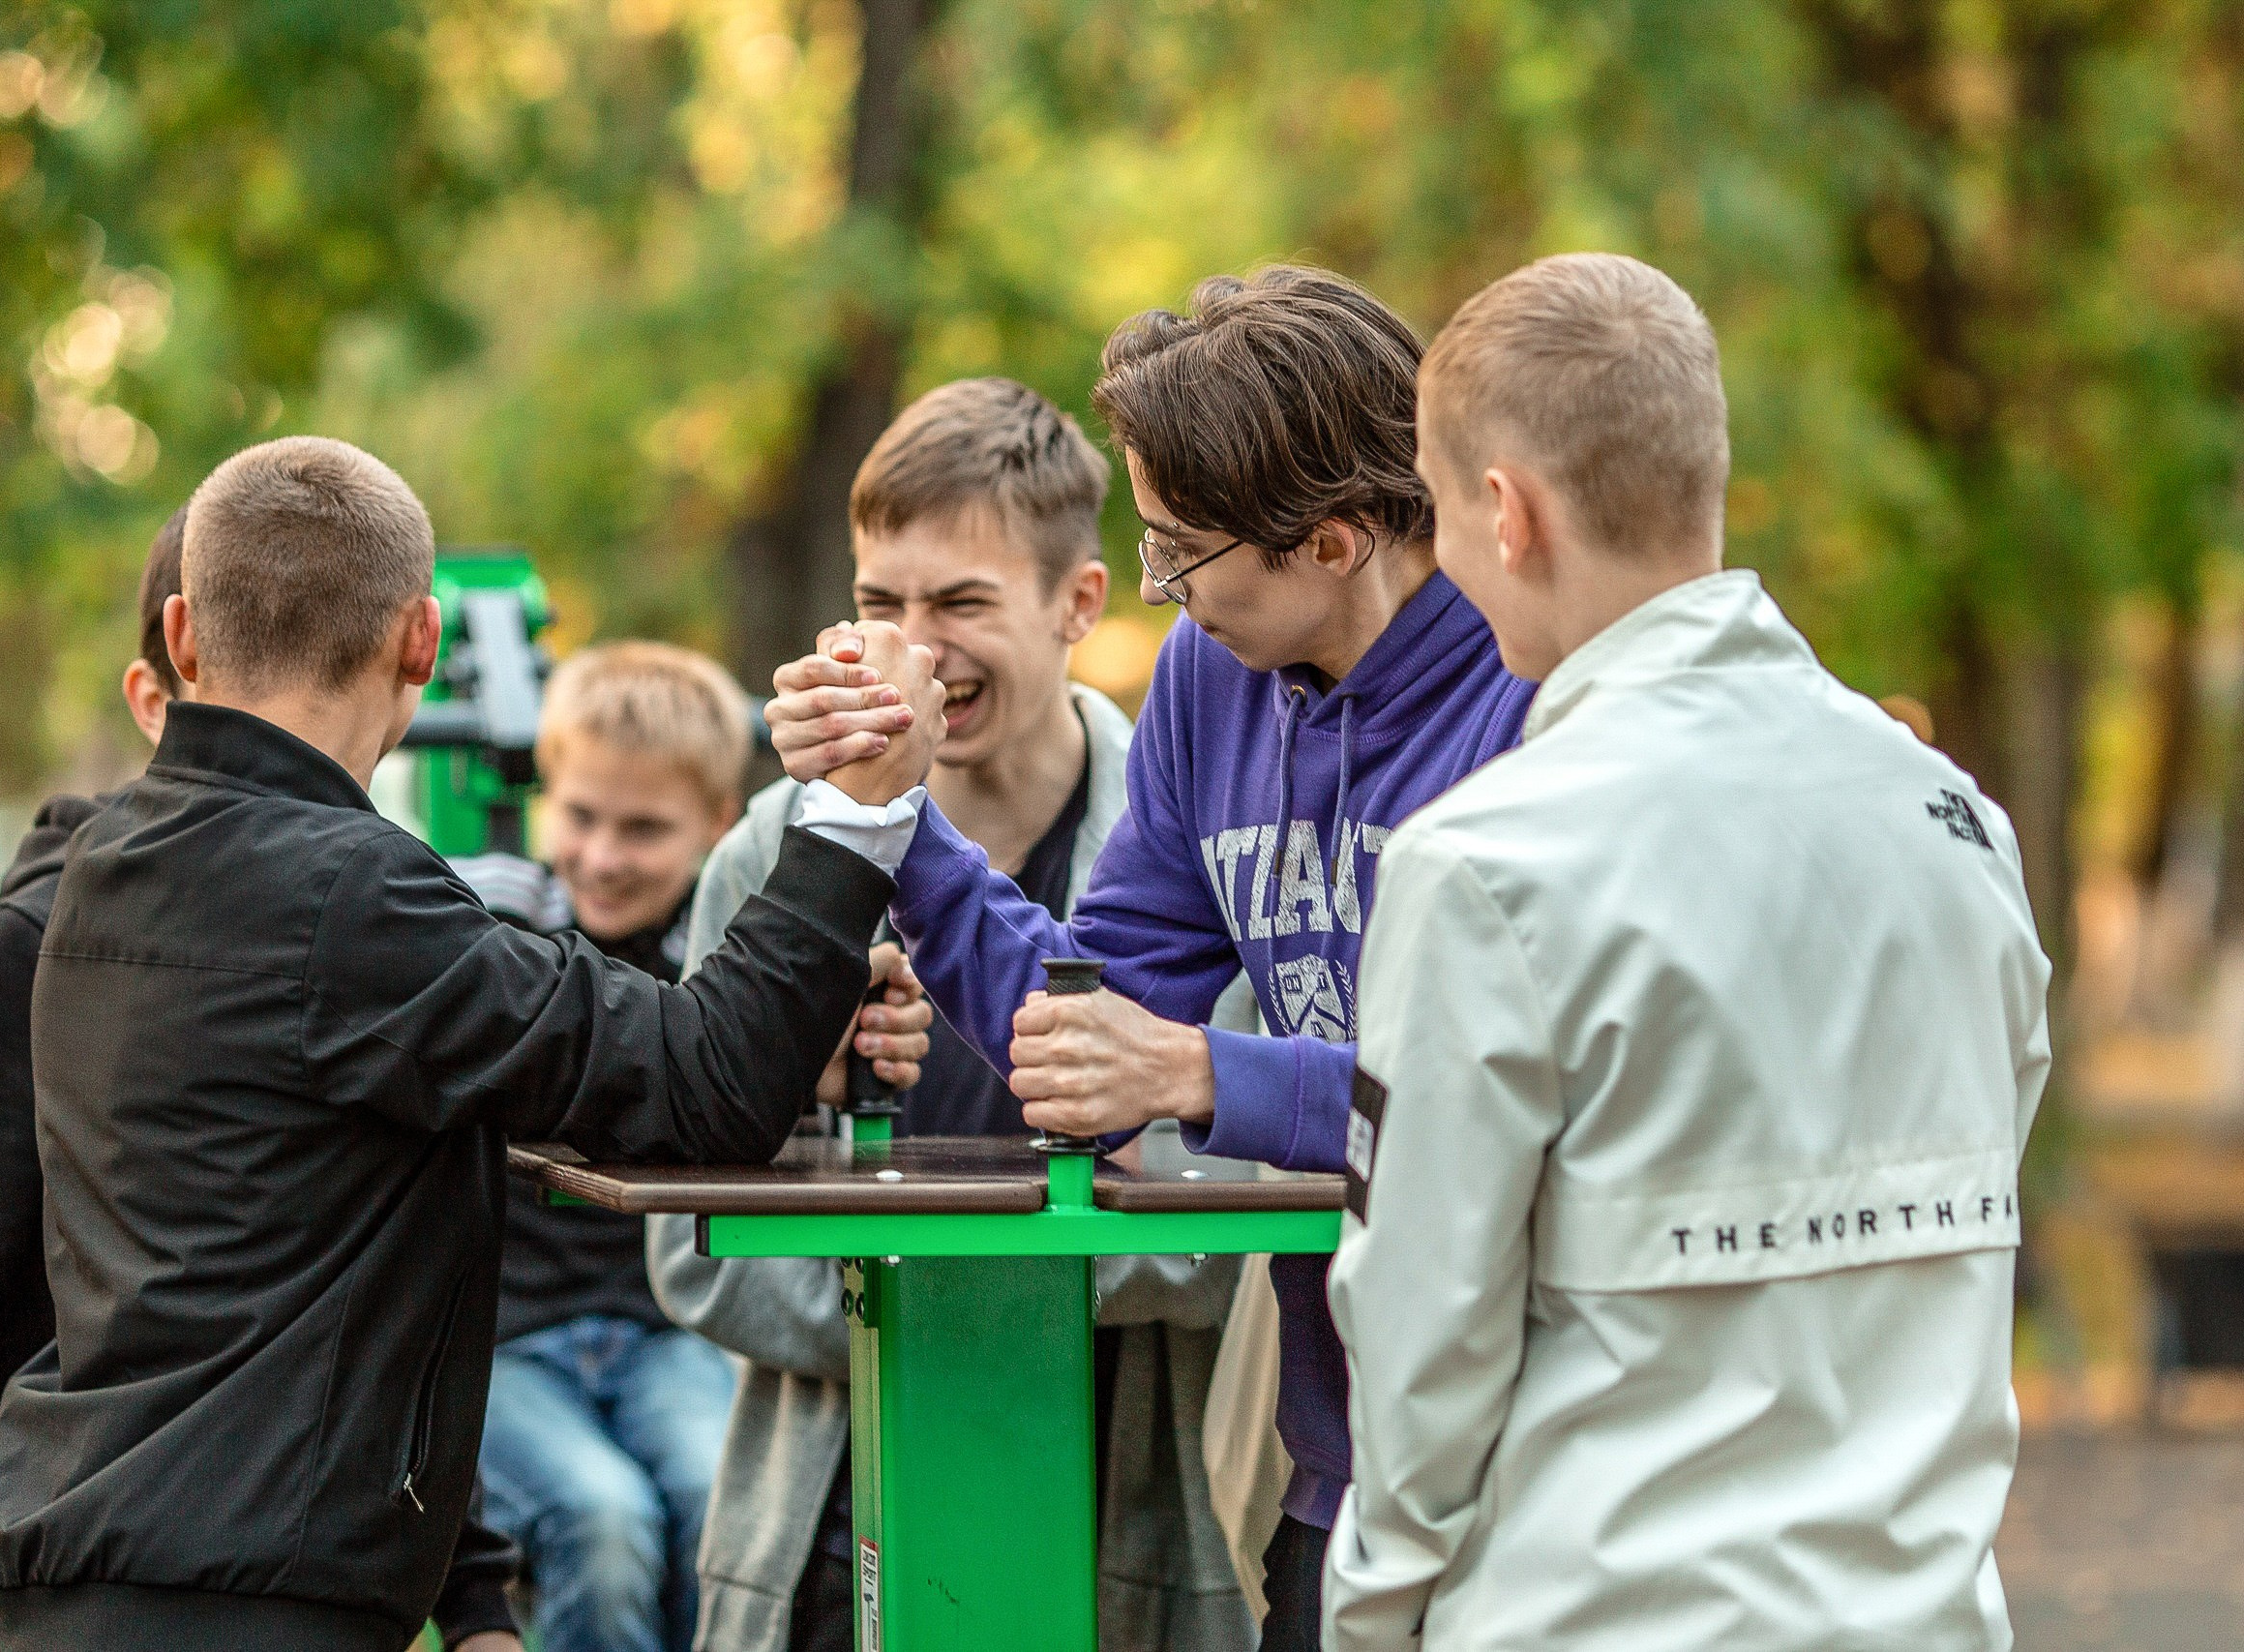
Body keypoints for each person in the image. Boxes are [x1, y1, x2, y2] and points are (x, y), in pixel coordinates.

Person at [0, 436, 943, 1652]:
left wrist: (474, 1598)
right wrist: (855, 814)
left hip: (94, 1576)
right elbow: (702, 1087)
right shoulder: (349, 899)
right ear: (421, 644)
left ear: (180, 637)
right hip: (247, 1603)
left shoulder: (106, 870)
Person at [763, 269, 1535, 1649]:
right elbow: (1088, 1033)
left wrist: (1202, 1070)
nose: (1167, 590)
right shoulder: (1209, 678)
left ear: (1336, 541)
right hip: (1344, 1455)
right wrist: (899, 813)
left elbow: (1531, 1099)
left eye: (1187, 551)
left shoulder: (1528, 692)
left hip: (1548, 1455)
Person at [1324, 253, 2051, 1649]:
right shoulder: (1957, 824)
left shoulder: (1486, 863)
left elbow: (1422, 1339)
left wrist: (1369, 1614)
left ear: (1503, 509)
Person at [0, 507, 525, 1652]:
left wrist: (475, 1599)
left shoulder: (345, 943)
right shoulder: (32, 948)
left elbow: (357, 1306)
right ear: (162, 692)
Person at [649, 377, 1257, 1652]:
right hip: (832, 1520)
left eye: (962, 603)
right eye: (882, 605)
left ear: (1078, 604)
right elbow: (689, 1244)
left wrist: (962, 1290)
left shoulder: (1199, 850)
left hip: (1121, 1511)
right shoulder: (773, 853)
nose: (916, 652)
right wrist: (798, 1103)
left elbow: (1227, 1232)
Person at [458, 643, 928, 1652]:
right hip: (506, 1342)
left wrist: (821, 1070)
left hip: (664, 1331)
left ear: (717, 825)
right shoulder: (498, 911)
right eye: (580, 817)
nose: (604, 855)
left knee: (709, 1493)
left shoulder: (724, 953)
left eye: (644, 829)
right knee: (602, 1520)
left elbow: (747, 1094)